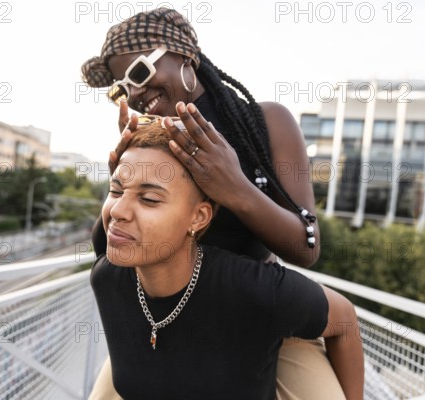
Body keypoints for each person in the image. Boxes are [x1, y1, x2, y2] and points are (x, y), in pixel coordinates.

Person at [81, 8, 344, 399]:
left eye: (137, 74)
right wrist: (121, 180)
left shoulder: (265, 123)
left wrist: (234, 187)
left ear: (185, 57)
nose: (133, 93)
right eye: (121, 88)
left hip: (256, 315)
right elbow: (108, 250)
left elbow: (306, 247)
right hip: (165, 318)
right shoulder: (154, 139)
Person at [90, 120, 364, 399]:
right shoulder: (107, 279)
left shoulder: (252, 291)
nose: (119, 210)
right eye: (117, 190)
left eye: (148, 199)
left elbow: (344, 319)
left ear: (199, 217)